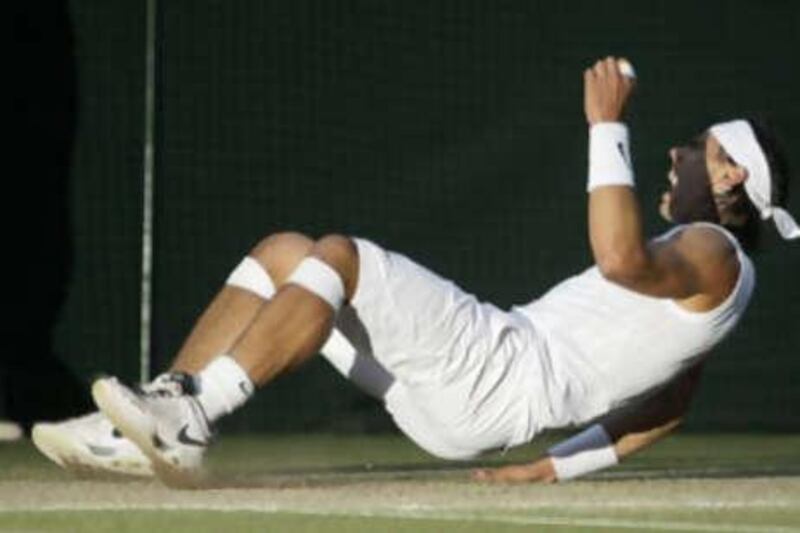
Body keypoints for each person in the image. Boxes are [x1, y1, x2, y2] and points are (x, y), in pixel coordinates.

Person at [33, 57, 799, 487]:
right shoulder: (719, 284)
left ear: (730, 176)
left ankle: (192, 420)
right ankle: (154, 417)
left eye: (696, 147)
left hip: (496, 369)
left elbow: (618, 258)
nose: (677, 154)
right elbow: (669, 406)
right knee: (285, 254)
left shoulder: (712, 249)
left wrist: (608, 126)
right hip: (469, 413)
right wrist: (550, 470)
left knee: (340, 256)